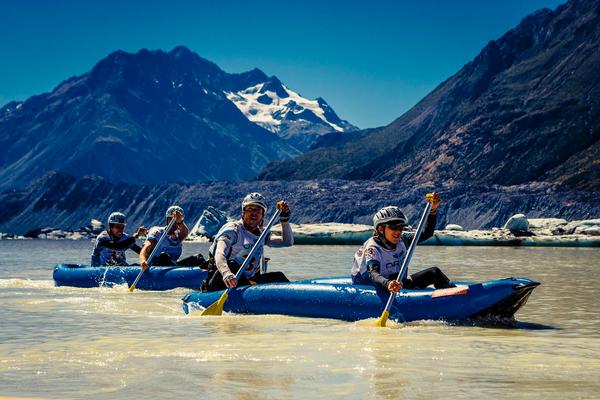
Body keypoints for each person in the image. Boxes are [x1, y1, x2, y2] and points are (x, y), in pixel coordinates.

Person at [351, 193, 455, 292]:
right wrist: (388, 284)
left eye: (401, 227)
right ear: (381, 229)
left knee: (434, 272)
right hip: (372, 285)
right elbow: (373, 274)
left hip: (395, 281)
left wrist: (432, 210)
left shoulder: (403, 238)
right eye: (393, 227)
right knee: (390, 279)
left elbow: (426, 233)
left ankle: (456, 299)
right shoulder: (373, 248)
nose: (398, 232)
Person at [203, 192, 294, 292]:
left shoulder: (261, 234)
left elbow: (287, 242)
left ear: (262, 215)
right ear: (243, 212)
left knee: (278, 276)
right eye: (250, 209)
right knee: (232, 265)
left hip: (246, 282)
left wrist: (284, 220)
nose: (253, 213)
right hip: (223, 280)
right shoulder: (233, 230)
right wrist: (226, 273)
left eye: (258, 210)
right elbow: (220, 253)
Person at [139, 205, 206, 270]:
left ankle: (208, 278)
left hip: (172, 268)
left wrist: (180, 221)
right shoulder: (157, 232)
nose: (174, 223)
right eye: (171, 220)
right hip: (155, 267)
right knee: (164, 256)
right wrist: (143, 261)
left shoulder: (178, 236)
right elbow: (146, 249)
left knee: (198, 258)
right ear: (167, 219)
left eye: (176, 221)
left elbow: (185, 232)